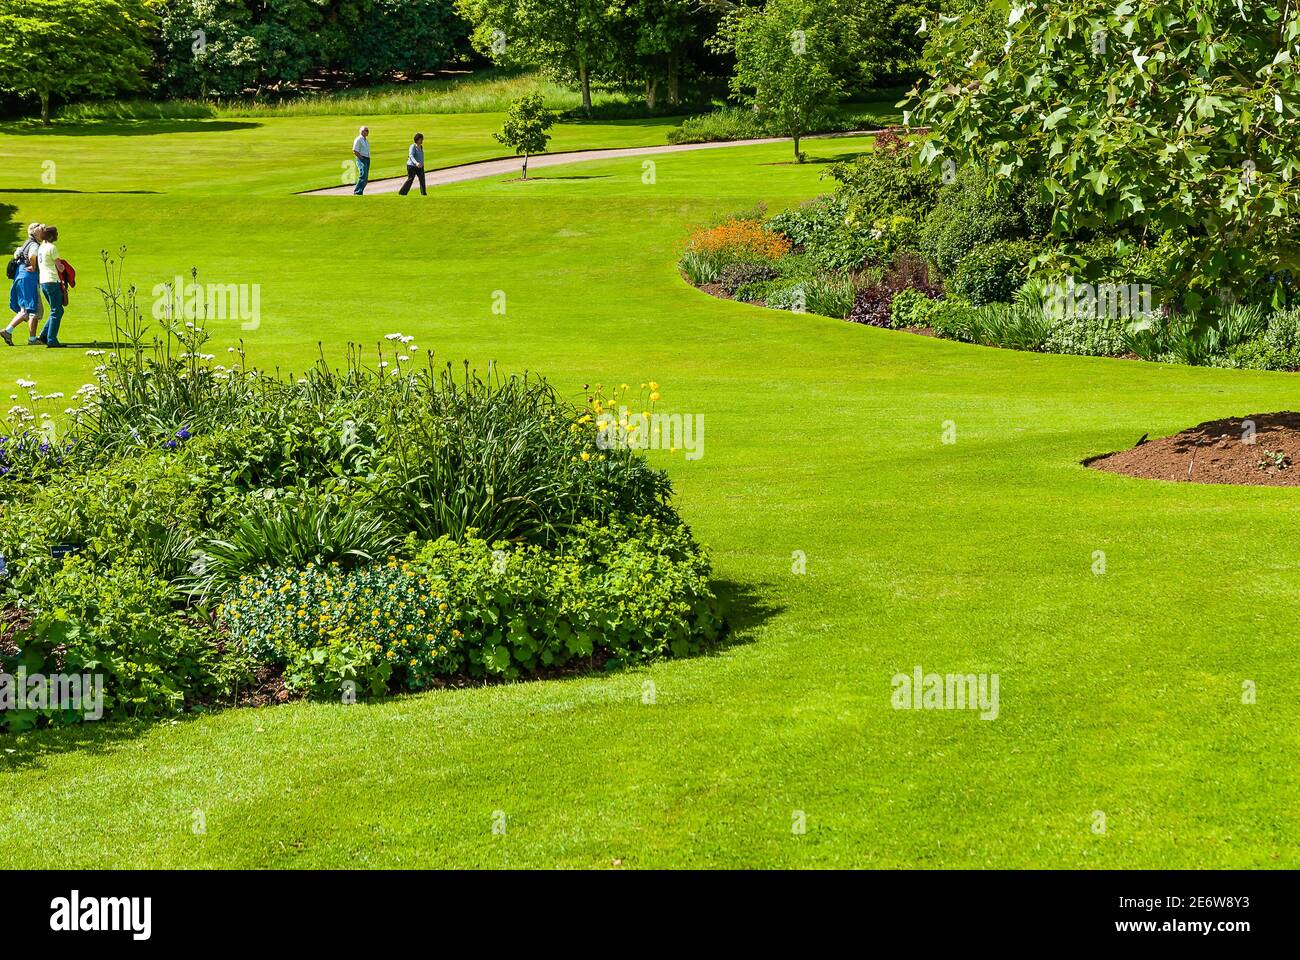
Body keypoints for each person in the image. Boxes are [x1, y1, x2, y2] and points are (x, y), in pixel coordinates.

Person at [2, 223, 45, 346]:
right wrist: (34, 266)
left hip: (20, 277)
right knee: (31, 309)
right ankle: (26, 337)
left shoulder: (25, 243)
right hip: (28, 279)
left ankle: (11, 332)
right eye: (41, 230)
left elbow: (17, 254)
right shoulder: (34, 245)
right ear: (36, 232)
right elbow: (32, 256)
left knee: (28, 308)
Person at [35, 225, 64, 348]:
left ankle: (44, 335)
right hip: (52, 281)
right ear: (52, 236)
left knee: (56, 310)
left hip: (43, 282)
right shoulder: (52, 248)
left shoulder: (41, 247)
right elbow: (60, 267)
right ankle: (51, 339)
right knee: (57, 311)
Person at [352, 126, 371, 195]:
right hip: (362, 159)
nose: (367, 132)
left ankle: (360, 191)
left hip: (367, 158)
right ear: (362, 131)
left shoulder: (365, 140)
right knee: (363, 175)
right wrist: (361, 158)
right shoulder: (358, 139)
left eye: (367, 130)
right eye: (366, 130)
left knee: (365, 177)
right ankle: (357, 192)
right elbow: (354, 150)